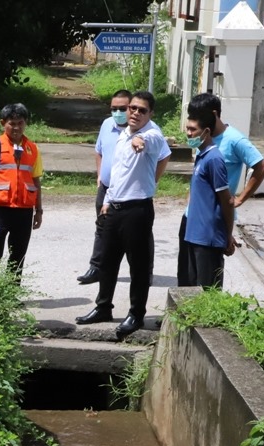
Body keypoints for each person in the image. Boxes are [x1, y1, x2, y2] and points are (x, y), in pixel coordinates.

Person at [75, 90, 168, 341]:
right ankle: (103, 306)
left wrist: (142, 143)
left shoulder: (152, 134)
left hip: (137, 210)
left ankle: (136, 314)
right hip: (114, 207)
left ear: (151, 114)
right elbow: (117, 173)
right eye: (133, 108)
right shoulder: (122, 134)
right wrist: (106, 201)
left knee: (137, 266)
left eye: (142, 110)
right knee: (106, 261)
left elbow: (155, 146)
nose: (135, 113)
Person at [177, 93, 264, 287]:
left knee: (206, 281)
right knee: (186, 276)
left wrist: (240, 199)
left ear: (213, 114)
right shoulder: (201, 140)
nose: (191, 130)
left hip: (211, 223)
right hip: (191, 219)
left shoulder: (234, 140)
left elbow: (261, 167)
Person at [181, 105, 236, 287]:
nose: (188, 133)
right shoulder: (201, 155)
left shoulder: (214, 159)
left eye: (192, 129)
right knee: (191, 289)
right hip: (193, 235)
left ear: (206, 131)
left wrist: (228, 235)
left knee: (207, 291)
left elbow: (226, 200)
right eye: (187, 129)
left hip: (208, 238)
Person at [0, 103, 43, 276]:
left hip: (24, 211)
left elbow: (36, 180)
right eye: (12, 123)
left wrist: (38, 211)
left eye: (20, 123)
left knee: (18, 254)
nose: (17, 127)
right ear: (3, 123)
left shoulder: (32, 148)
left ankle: (11, 294)